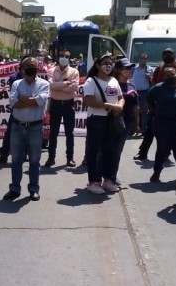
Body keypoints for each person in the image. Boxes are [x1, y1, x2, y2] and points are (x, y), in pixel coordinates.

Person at [3, 57, 49, 201]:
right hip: (17, 126)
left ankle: (34, 189)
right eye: (28, 66)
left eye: (34, 66)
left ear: (38, 68)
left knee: (34, 161)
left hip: (35, 127)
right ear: (22, 69)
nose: (31, 68)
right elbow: (13, 103)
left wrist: (24, 99)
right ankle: (15, 189)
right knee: (16, 160)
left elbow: (40, 101)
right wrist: (32, 100)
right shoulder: (16, 83)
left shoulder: (44, 84)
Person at [81, 55, 124, 195]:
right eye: (105, 63)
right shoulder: (91, 81)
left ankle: (108, 180)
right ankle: (93, 181)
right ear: (98, 65)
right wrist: (108, 105)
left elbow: (120, 97)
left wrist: (119, 106)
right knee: (94, 151)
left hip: (111, 120)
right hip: (96, 120)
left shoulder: (114, 80)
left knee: (109, 150)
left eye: (111, 63)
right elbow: (88, 101)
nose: (108, 66)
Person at [146, 66, 176, 183]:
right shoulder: (158, 88)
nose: (170, 77)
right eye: (167, 75)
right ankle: (156, 172)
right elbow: (149, 101)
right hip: (162, 123)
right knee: (162, 148)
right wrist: (155, 110)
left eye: (172, 74)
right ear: (163, 77)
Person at [45, 49, 79, 168]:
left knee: (69, 133)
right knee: (53, 133)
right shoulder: (51, 71)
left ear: (70, 58)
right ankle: (51, 158)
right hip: (55, 104)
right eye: (61, 55)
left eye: (66, 56)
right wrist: (66, 84)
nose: (64, 57)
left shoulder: (74, 71)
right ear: (57, 57)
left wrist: (58, 86)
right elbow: (51, 85)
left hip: (69, 104)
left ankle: (70, 158)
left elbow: (74, 87)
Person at [110, 57, 140, 186]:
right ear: (118, 70)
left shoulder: (132, 85)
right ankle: (103, 176)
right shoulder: (112, 84)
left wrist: (137, 124)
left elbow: (135, 106)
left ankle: (112, 175)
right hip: (113, 122)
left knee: (118, 151)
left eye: (130, 68)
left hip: (128, 123)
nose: (129, 70)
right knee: (108, 150)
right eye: (126, 68)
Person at [0, 64, 24, 165]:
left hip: (30, 110)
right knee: (9, 134)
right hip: (16, 110)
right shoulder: (14, 78)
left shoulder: (36, 78)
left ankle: (24, 154)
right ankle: (4, 155)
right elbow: (15, 96)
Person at [132, 53, 154, 134]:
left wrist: (149, 78)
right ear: (139, 59)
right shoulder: (134, 68)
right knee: (134, 110)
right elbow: (129, 78)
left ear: (147, 60)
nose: (143, 60)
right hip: (134, 92)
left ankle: (144, 128)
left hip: (145, 92)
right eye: (142, 58)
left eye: (145, 58)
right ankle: (134, 128)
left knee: (144, 111)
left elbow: (153, 81)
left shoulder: (150, 69)